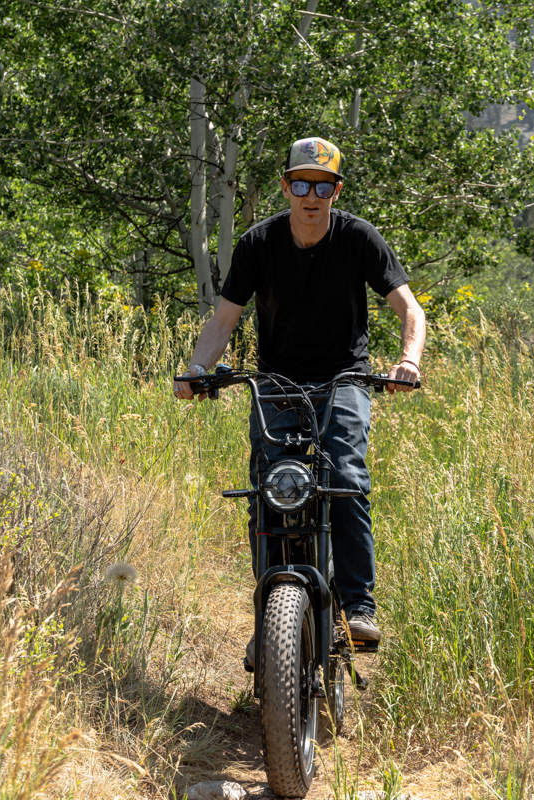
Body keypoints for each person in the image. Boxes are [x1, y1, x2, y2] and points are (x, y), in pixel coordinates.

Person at [173, 136, 425, 662]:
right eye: (303, 184)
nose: (313, 196)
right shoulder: (258, 244)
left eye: (325, 186)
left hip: (345, 379)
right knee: (270, 488)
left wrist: (409, 362)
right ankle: (269, 616)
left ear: (336, 191)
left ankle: (359, 606)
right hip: (279, 382)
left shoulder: (359, 238)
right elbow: (224, 320)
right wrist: (198, 370)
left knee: (345, 477)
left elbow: (411, 312)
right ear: (286, 186)